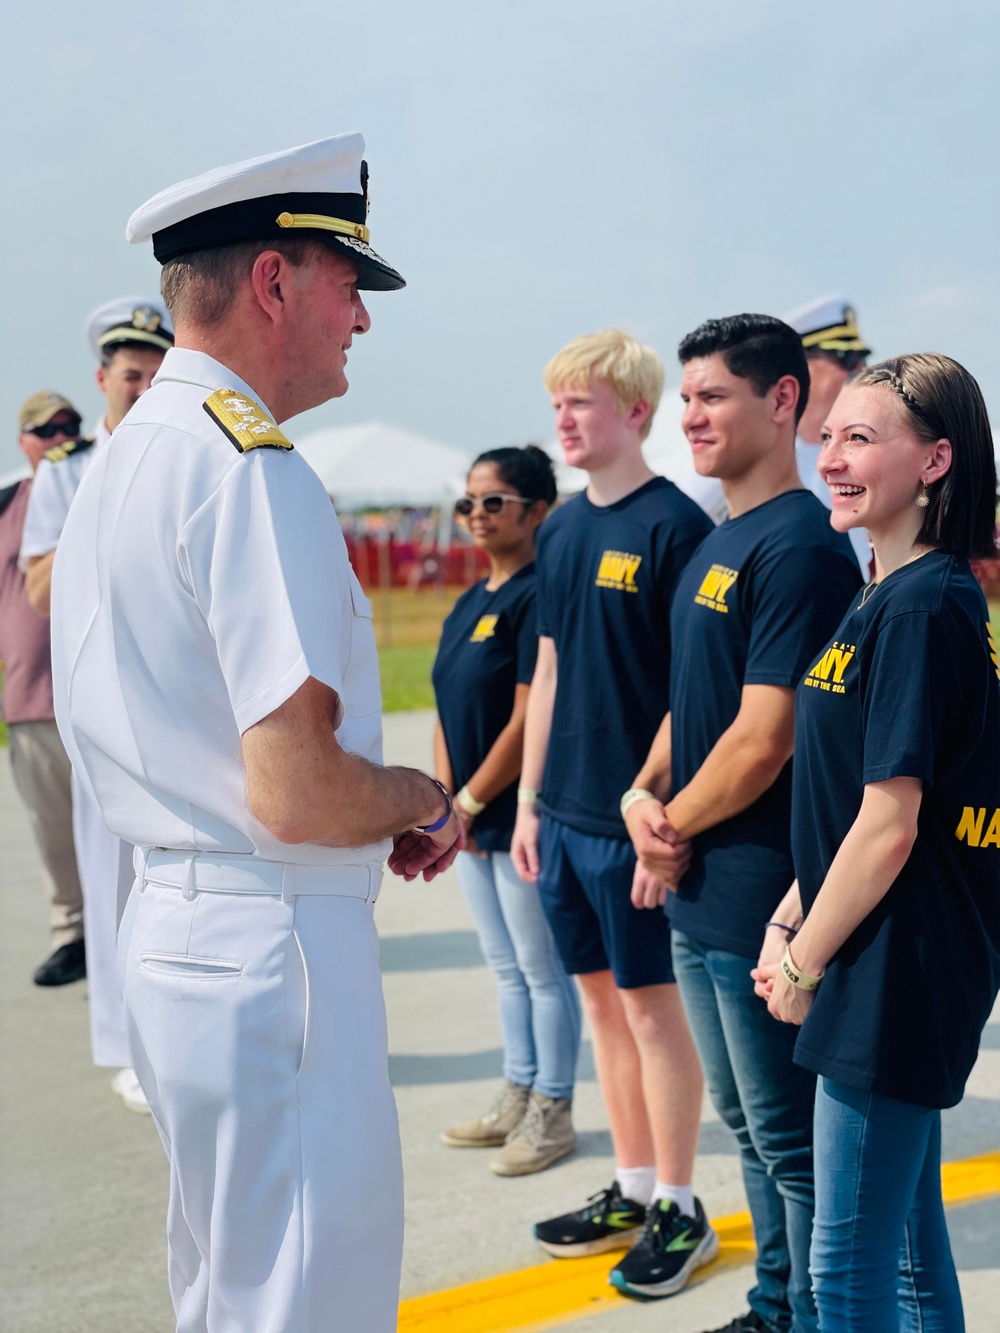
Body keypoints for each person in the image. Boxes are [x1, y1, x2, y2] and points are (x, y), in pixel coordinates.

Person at [49, 133, 462, 1333]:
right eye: (349, 284)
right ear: (276, 281)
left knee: (231, 1293)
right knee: (306, 1299)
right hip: (269, 936)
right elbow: (296, 791)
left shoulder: (126, 460)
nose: (362, 321)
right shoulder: (248, 467)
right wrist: (417, 797)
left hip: (178, 930)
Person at [624, 314, 862, 1333]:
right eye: (685, 399)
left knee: (788, 1137)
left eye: (713, 395)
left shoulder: (803, 546)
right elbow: (698, 701)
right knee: (748, 1129)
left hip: (762, 887)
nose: (692, 417)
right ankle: (774, 1306)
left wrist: (663, 825)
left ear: (782, 401)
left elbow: (766, 735)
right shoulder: (717, 536)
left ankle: (808, 1314)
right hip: (697, 880)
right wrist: (643, 796)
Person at [755, 353, 1000, 1331]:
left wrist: (804, 962)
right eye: (829, 436)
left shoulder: (924, 603)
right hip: (871, 946)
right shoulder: (884, 591)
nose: (831, 457)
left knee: (846, 1267)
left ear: (936, 459)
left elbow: (891, 822)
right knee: (902, 1247)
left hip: (897, 961)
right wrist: (790, 916)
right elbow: (845, 801)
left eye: (860, 438)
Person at [511, 330, 717, 1300]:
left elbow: (693, 690)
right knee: (599, 1006)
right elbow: (547, 668)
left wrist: (662, 816)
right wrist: (526, 803)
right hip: (560, 818)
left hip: (633, 824)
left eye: (580, 403)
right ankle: (632, 1186)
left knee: (651, 1012)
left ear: (634, 412)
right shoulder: (556, 530)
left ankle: (680, 1202)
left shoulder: (675, 526)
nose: (562, 419)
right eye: (556, 403)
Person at [20, 296, 173, 1114]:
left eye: (156, 375)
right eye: (130, 377)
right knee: (111, 874)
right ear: (102, 379)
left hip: (174, 695)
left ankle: (177, 1032)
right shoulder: (69, 469)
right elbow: (40, 585)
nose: (144, 390)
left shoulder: (182, 452)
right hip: (97, 700)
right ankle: (122, 1044)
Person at [433, 445, 581, 1175]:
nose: (478, 514)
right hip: (466, 817)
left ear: (538, 511)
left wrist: (466, 800)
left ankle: (554, 1107)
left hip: (516, 811)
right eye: (469, 502)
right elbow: (443, 704)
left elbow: (527, 719)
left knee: (541, 967)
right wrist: (440, 803)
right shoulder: (469, 599)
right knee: (505, 966)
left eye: (495, 501)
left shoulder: (535, 596)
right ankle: (516, 1092)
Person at [0, 393, 85, 985]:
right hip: (31, 692)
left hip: (93, 688)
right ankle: (72, 934)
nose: (59, 437)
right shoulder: (8, 504)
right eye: (46, 430)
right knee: (53, 828)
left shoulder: (89, 480)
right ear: (23, 440)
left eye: (70, 427)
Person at [782, 294, 872, 574]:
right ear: (800, 366)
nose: (861, 370)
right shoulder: (760, 460)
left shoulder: (872, 455)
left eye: (861, 357)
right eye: (844, 357)